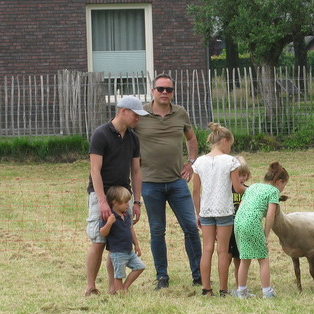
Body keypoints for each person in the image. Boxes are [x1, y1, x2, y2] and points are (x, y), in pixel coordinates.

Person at [134, 73, 202, 291]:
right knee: (157, 230)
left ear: (173, 92)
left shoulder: (180, 113)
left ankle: (199, 275)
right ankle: (162, 277)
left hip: (177, 181)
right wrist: (132, 163)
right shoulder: (140, 113)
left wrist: (191, 162)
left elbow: (191, 138)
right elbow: (123, 133)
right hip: (150, 183)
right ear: (152, 91)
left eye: (168, 90)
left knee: (191, 227)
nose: (164, 93)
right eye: (160, 89)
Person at [85, 95, 147, 296]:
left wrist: (136, 201)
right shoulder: (101, 135)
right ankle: (91, 286)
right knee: (99, 240)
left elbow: (136, 171)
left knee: (118, 242)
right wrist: (102, 201)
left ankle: (114, 287)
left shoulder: (133, 138)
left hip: (123, 195)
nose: (138, 119)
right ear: (123, 111)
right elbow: (95, 170)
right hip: (101, 193)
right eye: (136, 115)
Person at [191, 123, 246, 296]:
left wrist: (198, 212)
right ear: (224, 141)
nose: (230, 148)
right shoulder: (231, 161)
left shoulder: (199, 162)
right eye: (230, 144)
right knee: (223, 250)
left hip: (206, 211)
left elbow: (195, 191)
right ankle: (223, 289)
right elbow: (237, 188)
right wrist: (252, 189)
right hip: (224, 211)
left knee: (207, 249)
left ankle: (206, 288)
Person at [233, 162, 289, 299]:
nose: (283, 189)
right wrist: (265, 234)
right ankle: (267, 291)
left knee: (244, 258)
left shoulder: (253, 187)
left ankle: (241, 291)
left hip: (238, 222)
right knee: (263, 258)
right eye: (284, 185)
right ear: (279, 181)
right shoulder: (273, 191)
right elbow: (270, 215)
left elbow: (241, 205)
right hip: (252, 224)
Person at [99, 186, 146, 294]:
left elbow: (131, 229)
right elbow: (103, 232)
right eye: (125, 202)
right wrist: (109, 223)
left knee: (140, 267)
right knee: (119, 275)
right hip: (117, 252)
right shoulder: (109, 216)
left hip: (129, 250)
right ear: (115, 203)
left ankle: (125, 287)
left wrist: (137, 244)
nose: (127, 205)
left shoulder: (127, 215)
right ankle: (119, 292)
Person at [228, 156, 251, 289]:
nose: (241, 178)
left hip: (241, 229)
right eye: (238, 175)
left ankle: (239, 285)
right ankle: (223, 286)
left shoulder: (248, 191)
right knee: (226, 257)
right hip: (227, 227)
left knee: (239, 259)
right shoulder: (226, 190)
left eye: (243, 175)